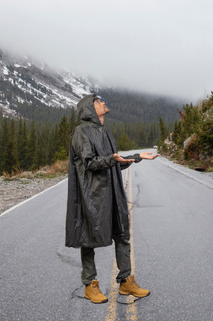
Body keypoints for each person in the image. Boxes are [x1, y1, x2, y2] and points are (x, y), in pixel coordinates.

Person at [65, 94, 159, 304]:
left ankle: (126, 282)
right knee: (88, 238)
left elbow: (114, 163)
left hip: (113, 192)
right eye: (98, 101)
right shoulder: (81, 132)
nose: (103, 102)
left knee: (122, 233)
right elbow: (89, 163)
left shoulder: (105, 132)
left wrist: (137, 157)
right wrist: (112, 159)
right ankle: (90, 285)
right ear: (90, 108)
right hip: (93, 194)